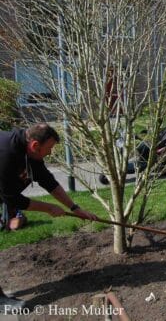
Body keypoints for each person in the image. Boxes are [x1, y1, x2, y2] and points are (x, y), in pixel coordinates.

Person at [0, 123, 98, 310]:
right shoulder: (6, 154)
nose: (50, 153)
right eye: (49, 149)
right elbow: (12, 198)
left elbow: (48, 181)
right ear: (35, 145)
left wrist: (75, 208)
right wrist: (48, 208)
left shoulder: (28, 151)